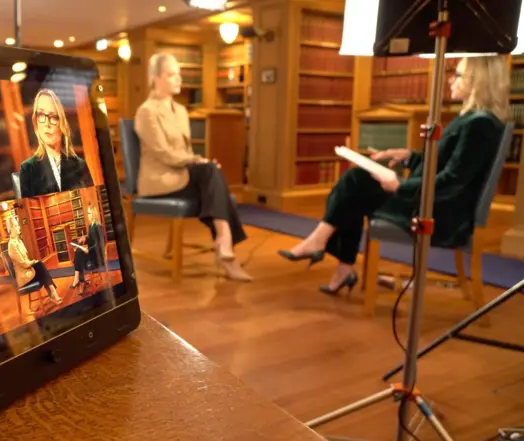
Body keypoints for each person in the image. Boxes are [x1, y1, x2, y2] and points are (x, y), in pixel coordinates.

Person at [278, 55, 510, 295]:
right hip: (430, 200)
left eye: (458, 75)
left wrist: (400, 187)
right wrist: (407, 156)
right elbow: (439, 164)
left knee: (354, 184)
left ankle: (323, 245)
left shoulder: (479, 125)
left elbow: (453, 180)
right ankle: (340, 264)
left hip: (436, 212)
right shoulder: (471, 120)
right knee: (355, 185)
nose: (450, 80)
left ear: (478, 81)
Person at [134, 53, 252, 282]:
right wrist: (197, 162)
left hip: (182, 175)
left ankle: (224, 243)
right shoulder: (146, 111)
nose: (179, 79)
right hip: (160, 180)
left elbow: (185, 153)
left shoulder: (181, 110)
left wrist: (199, 162)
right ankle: (226, 245)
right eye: (172, 74)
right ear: (156, 78)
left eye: (179, 74)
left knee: (211, 172)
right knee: (211, 176)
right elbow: (164, 154)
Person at [18, 88, 94, 198]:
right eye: (41, 115)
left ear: (62, 124)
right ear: (36, 123)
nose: (46, 124)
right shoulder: (27, 169)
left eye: (53, 116)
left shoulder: (80, 165)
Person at [4, 215, 62, 307]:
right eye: (16, 226)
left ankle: (53, 294)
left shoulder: (19, 241)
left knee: (40, 267)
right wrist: (33, 262)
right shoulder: (12, 245)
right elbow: (24, 264)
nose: (19, 227)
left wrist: (33, 262)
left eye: (18, 225)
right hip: (23, 277)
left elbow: (26, 260)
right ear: (11, 229)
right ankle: (53, 294)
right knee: (40, 266)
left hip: (28, 271)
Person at [71, 204, 106, 295]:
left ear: (94, 214)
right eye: (88, 213)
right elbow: (91, 240)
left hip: (96, 255)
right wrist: (85, 239)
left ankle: (79, 280)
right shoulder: (91, 226)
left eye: (89, 213)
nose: (88, 215)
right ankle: (79, 280)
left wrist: (89, 250)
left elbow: (100, 244)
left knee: (78, 256)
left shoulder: (98, 227)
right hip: (91, 253)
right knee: (78, 253)